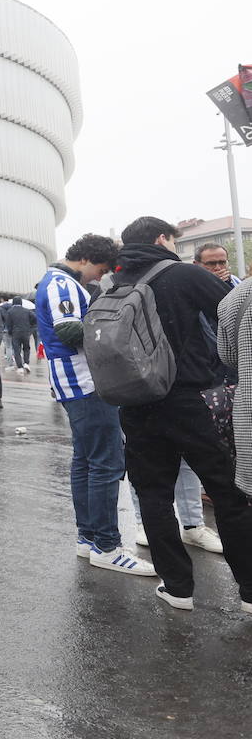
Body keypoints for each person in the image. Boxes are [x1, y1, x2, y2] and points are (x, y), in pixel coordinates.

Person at [111, 216, 252, 612]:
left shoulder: (115, 285)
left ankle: (178, 589)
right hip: (190, 400)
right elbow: (234, 312)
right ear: (162, 239)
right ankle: (250, 592)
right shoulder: (183, 274)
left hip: (135, 403)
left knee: (154, 495)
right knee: (227, 491)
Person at [36, 234, 155, 576]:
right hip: (85, 382)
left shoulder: (55, 281)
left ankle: (89, 538)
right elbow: (69, 332)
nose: (98, 276)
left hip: (73, 383)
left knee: (87, 461)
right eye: (100, 269)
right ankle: (107, 545)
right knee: (105, 462)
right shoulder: (63, 284)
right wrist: (111, 328)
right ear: (86, 259)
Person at [4, 297, 35, 373]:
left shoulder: (10, 311)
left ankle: (20, 366)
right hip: (26, 332)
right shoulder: (27, 311)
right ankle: (26, 363)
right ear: (21, 302)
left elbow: (8, 324)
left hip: (15, 333)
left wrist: (10, 332)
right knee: (26, 348)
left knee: (17, 350)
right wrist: (30, 327)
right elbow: (35, 318)